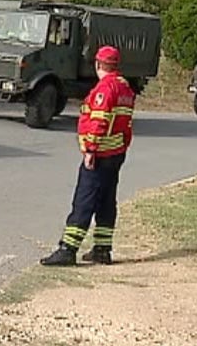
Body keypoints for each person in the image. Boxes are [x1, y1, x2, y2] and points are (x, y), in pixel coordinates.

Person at [40, 45, 135, 267]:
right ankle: (102, 249)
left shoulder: (105, 89)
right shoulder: (125, 88)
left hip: (100, 154)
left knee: (84, 200)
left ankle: (68, 249)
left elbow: (99, 121)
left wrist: (91, 150)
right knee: (105, 201)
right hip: (116, 153)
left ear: (99, 65)